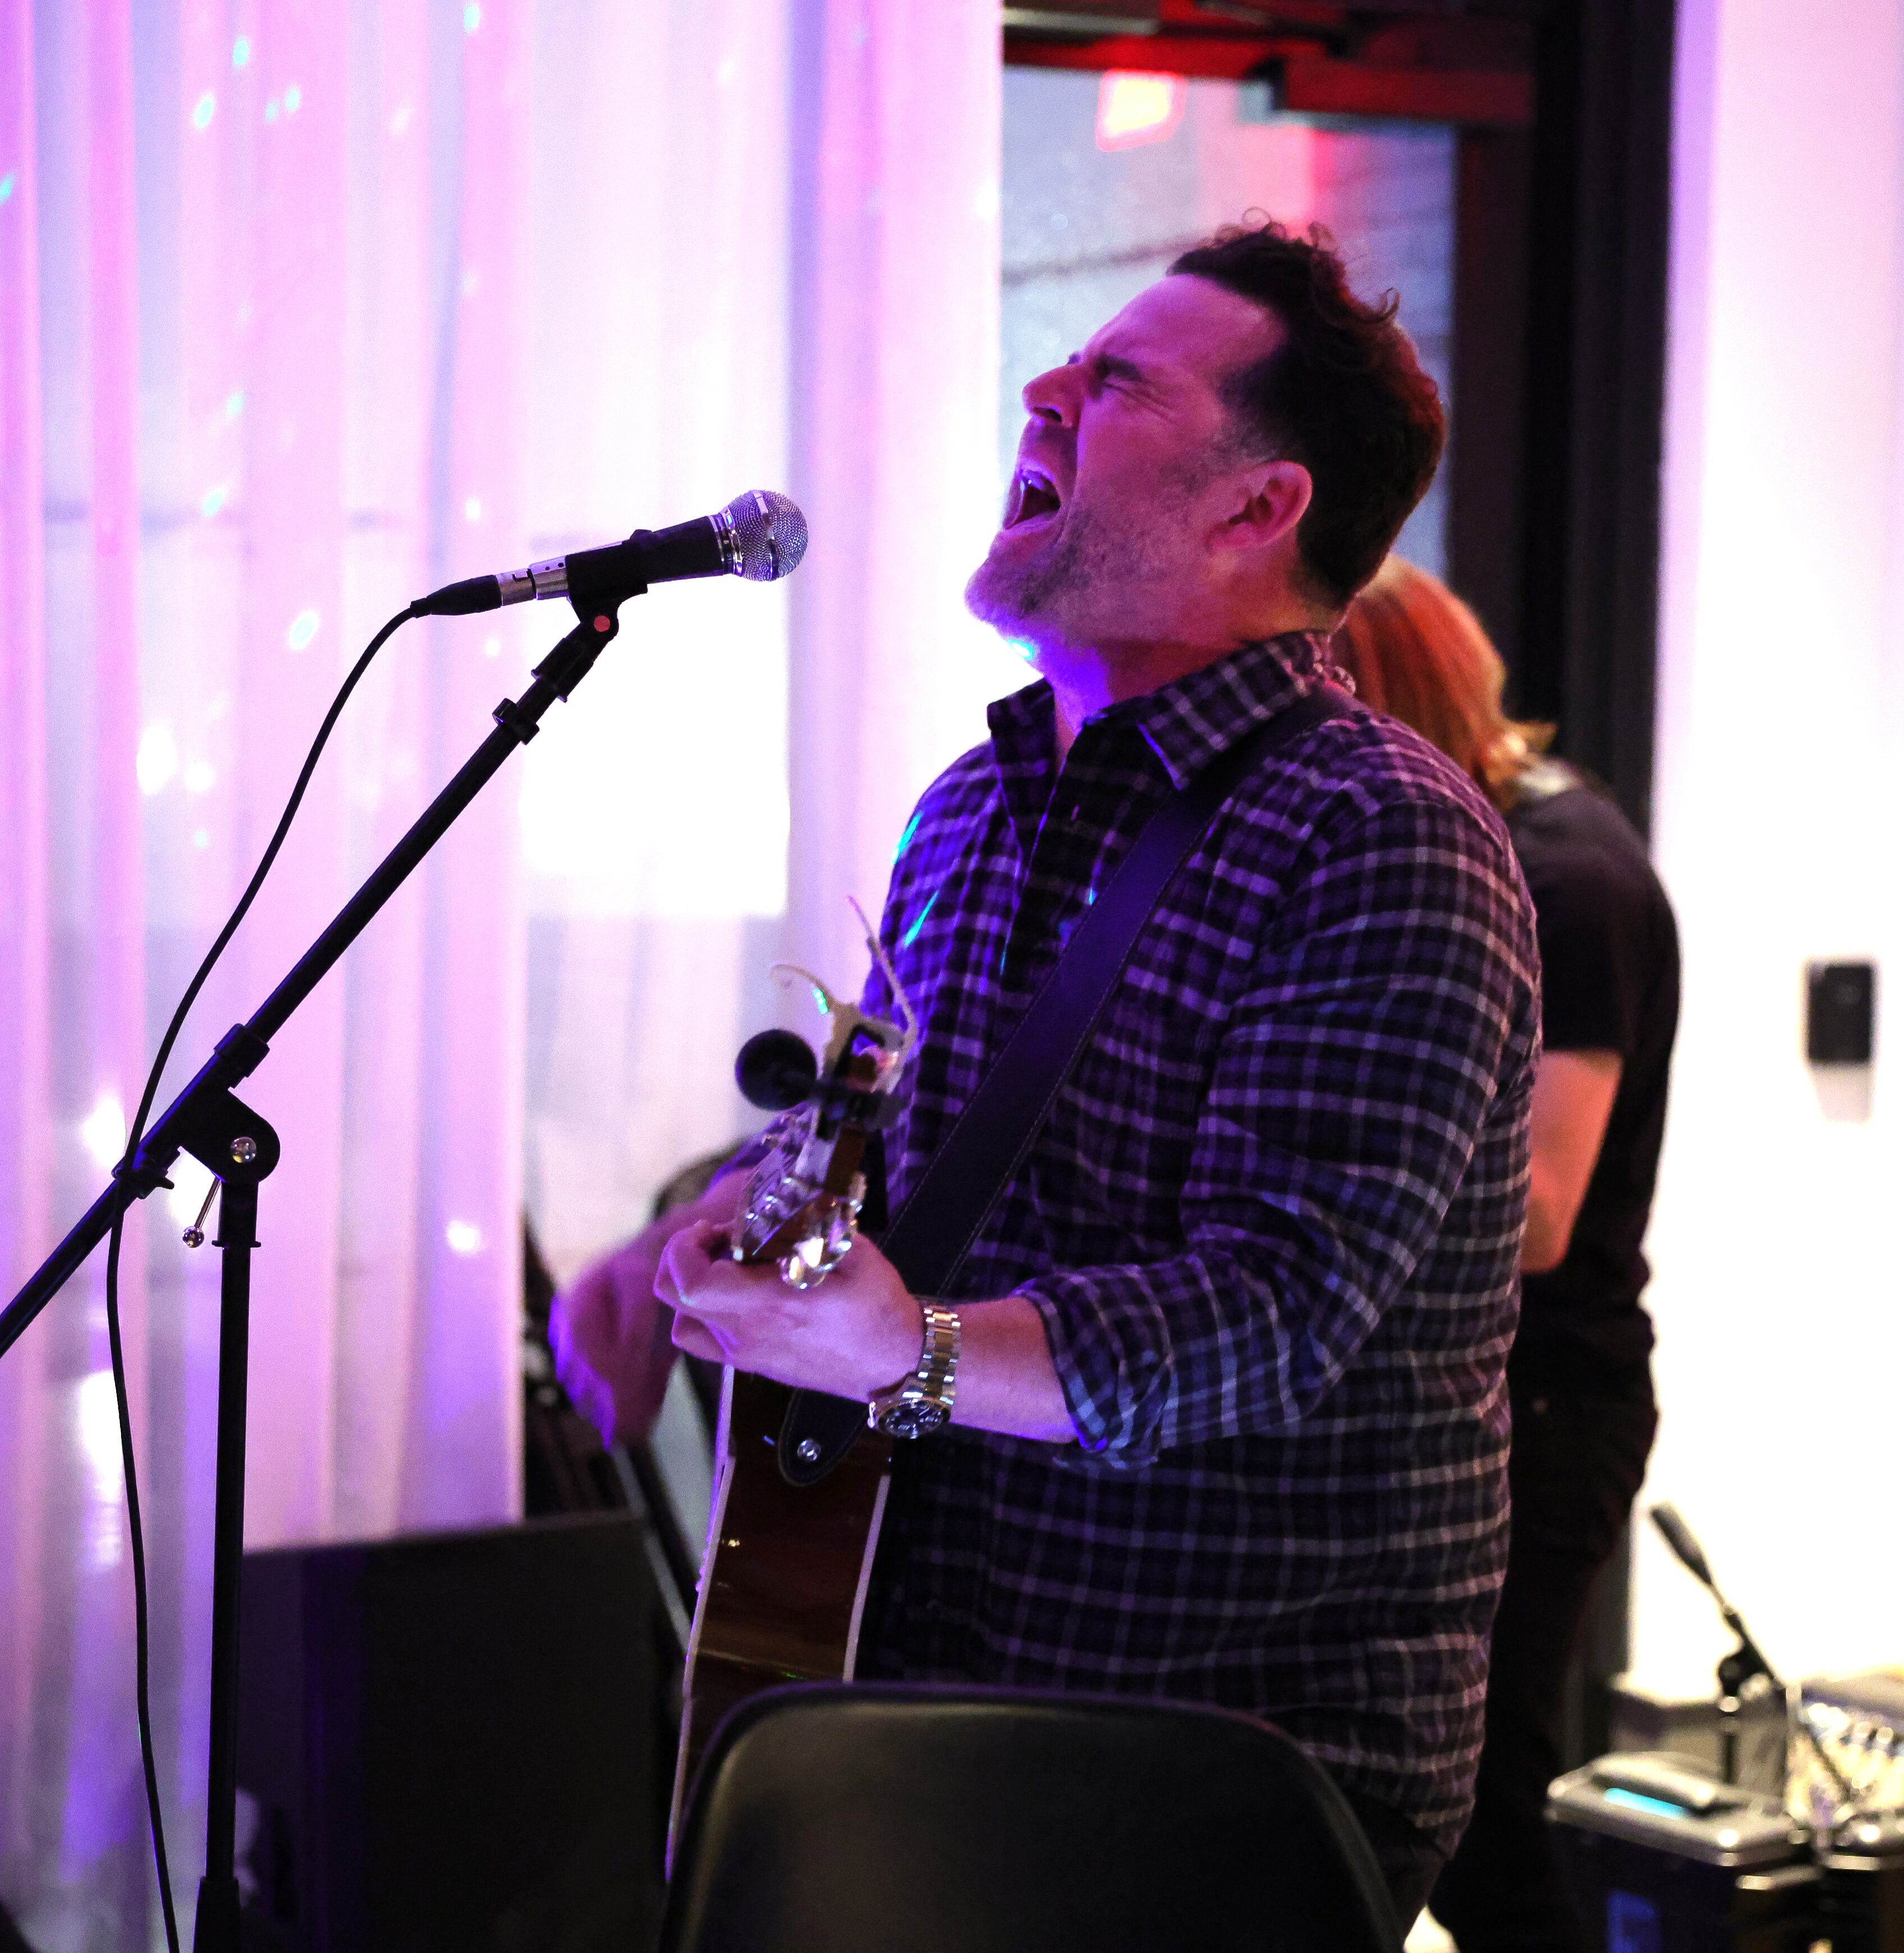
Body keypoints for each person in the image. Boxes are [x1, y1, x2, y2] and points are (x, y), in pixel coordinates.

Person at [554, 223, 1539, 1928]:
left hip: (1220, 1751)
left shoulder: (1387, 834)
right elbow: (892, 1146)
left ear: (1259, 508)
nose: (1045, 389)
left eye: (1119, 380)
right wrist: (710, 1232)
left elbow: (1276, 1309)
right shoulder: (972, 803)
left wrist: (907, 1354)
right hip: (911, 1669)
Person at [1330, 558, 1679, 1953]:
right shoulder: (1506, 845)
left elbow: (1535, 1217)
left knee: (1480, 1828)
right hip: (1485, 1395)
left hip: (1546, 1400)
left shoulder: (1568, 877)